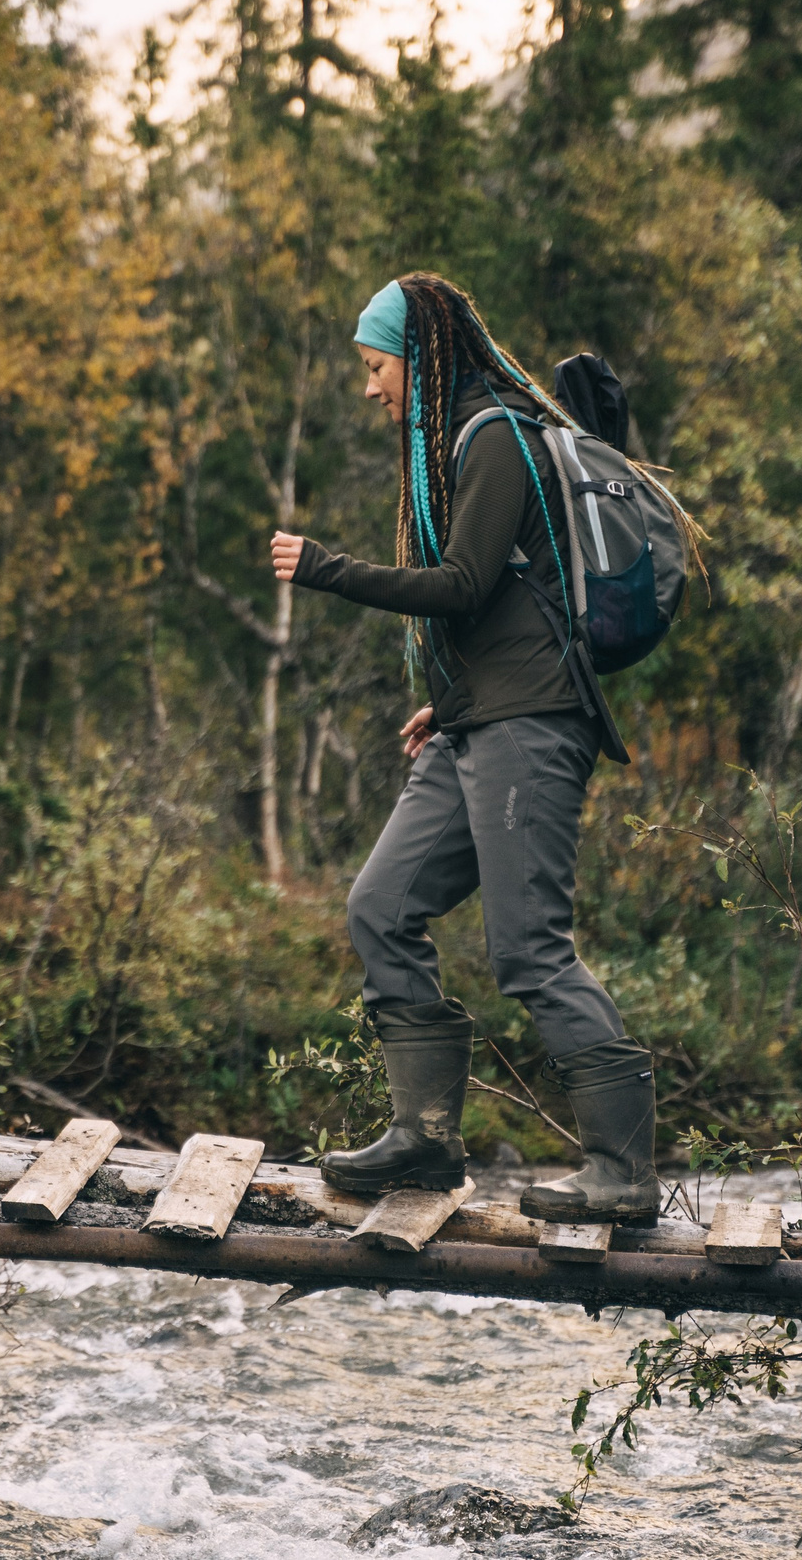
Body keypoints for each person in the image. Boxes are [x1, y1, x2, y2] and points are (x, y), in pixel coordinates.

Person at [267, 272, 657, 1227]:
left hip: (531, 727)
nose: (370, 388)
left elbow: (466, 584)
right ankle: (427, 1139)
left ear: (421, 356)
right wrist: (444, 703)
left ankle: (622, 1169)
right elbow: (501, 608)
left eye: (376, 366)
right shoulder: (462, 441)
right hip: (478, 717)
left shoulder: (496, 437)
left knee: (529, 950)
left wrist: (326, 568)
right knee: (382, 904)